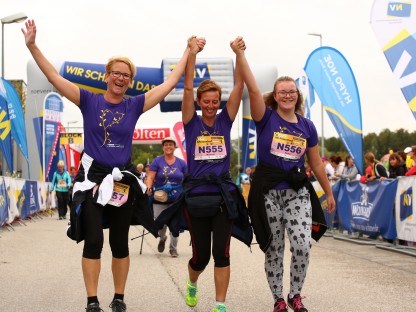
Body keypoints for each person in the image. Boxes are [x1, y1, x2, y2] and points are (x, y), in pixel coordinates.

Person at [22, 19, 203, 312]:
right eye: (116, 73)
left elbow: (170, 83)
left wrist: (187, 50)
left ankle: (119, 298)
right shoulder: (88, 101)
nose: (121, 78)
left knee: (120, 242)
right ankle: (92, 301)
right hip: (92, 180)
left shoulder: (134, 105)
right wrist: (32, 45)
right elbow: (54, 77)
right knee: (93, 240)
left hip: (121, 181)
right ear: (106, 76)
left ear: (129, 82)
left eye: (126, 76)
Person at [237, 48, 336, 311]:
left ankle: (295, 294)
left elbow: (315, 163)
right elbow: (254, 90)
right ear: (276, 96)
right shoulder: (265, 117)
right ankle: (278, 299)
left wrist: (329, 193)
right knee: (275, 249)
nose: (287, 95)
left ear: (297, 95)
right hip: (269, 192)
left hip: (297, 192)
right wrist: (240, 55)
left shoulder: (307, 126)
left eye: (292, 91)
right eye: (282, 91)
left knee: (302, 245)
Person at [181, 37, 250, 312]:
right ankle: (192, 281)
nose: (211, 105)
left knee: (221, 253)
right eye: (206, 101)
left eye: (214, 101)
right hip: (196, 197)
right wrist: (192, 53)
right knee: (201, 257)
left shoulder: (225, 120)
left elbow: (239, 86)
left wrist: (239, 54)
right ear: (199, 102)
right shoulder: (190, 123)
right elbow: (187, 86)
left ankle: (220, 305)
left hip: (222, 198)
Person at [145, 137, 187, 257]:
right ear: (163, 147)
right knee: (160, 222)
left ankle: (173, 249)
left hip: (177, 198)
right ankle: (162, 237)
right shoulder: (157, 161)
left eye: (171, 144)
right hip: (160, 197)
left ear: (174, 147)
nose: (168, 147)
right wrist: (148, 187)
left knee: (175, 224)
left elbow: (187, 178)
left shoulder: (181, 163)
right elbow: (150, 177)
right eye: (166, 145)